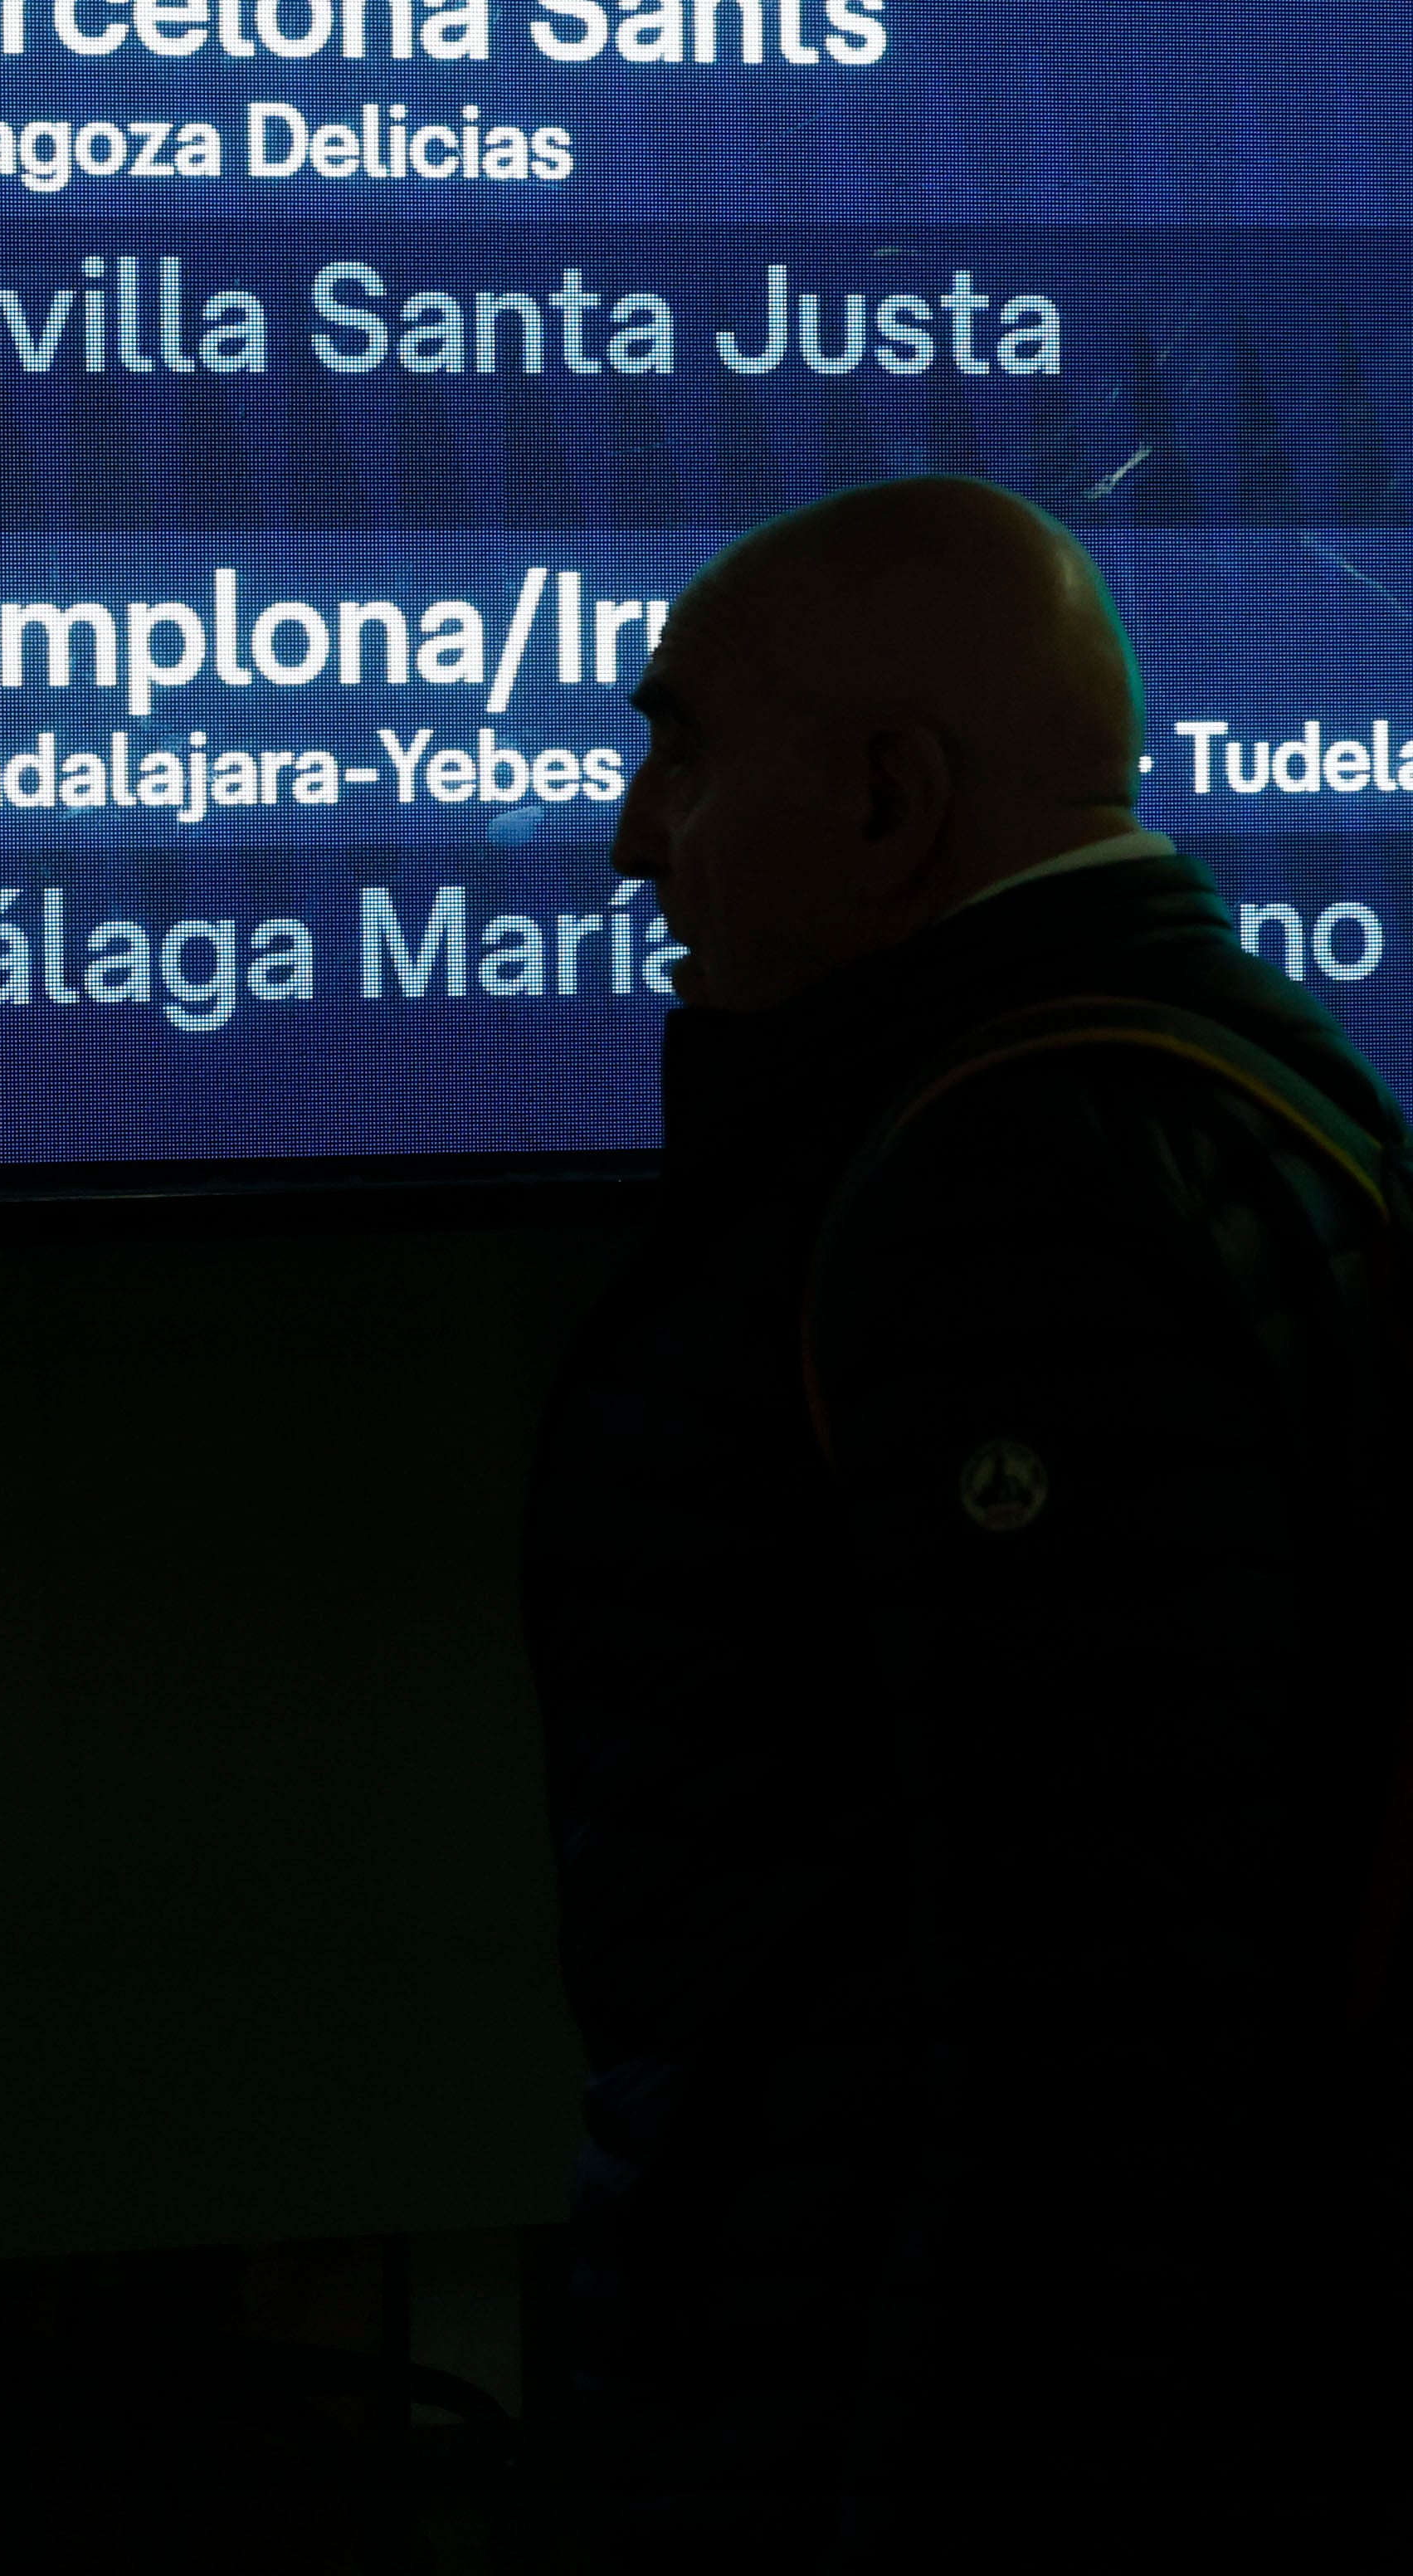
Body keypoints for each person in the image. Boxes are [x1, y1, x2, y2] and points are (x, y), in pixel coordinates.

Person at [524, 476, 1411, 2571]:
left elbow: (1080, 2040)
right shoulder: (1233, 1090)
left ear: (888, 800)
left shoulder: (1004, 1199)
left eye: (682, 754)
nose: (635, 839)